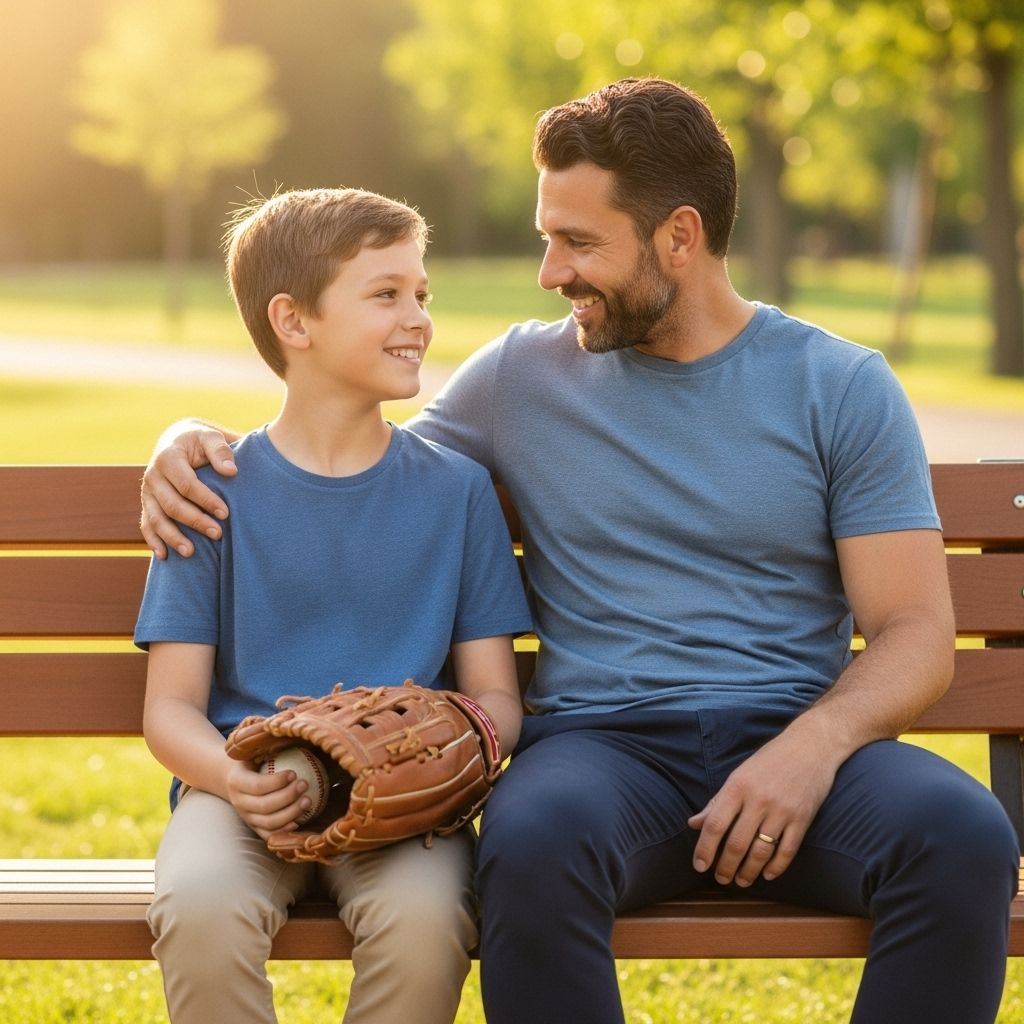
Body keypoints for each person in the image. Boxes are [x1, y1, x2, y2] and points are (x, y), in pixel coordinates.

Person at [139, 80, 1019, 1024]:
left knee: (965, 836)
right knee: (529, 840)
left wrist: (813, 747)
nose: (551, 273)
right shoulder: (521, 375)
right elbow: (355, 451)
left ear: (679, 238)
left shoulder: (839, 386)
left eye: (579, 242)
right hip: (605, 752)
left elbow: (917, 631)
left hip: (799, 738)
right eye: (545, 237)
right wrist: (187, 437)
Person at [133, 186, 533, 1024]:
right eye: (385, 294)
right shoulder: (211, 495)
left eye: (421, 294)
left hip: (403, 809)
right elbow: (169, 709)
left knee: (428, 923)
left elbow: (495, 692)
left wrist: (455, 750)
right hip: (236, 794)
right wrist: (230, 781)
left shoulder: (457, 494)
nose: (417, 317)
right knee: (201, 907)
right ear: (294, 321)